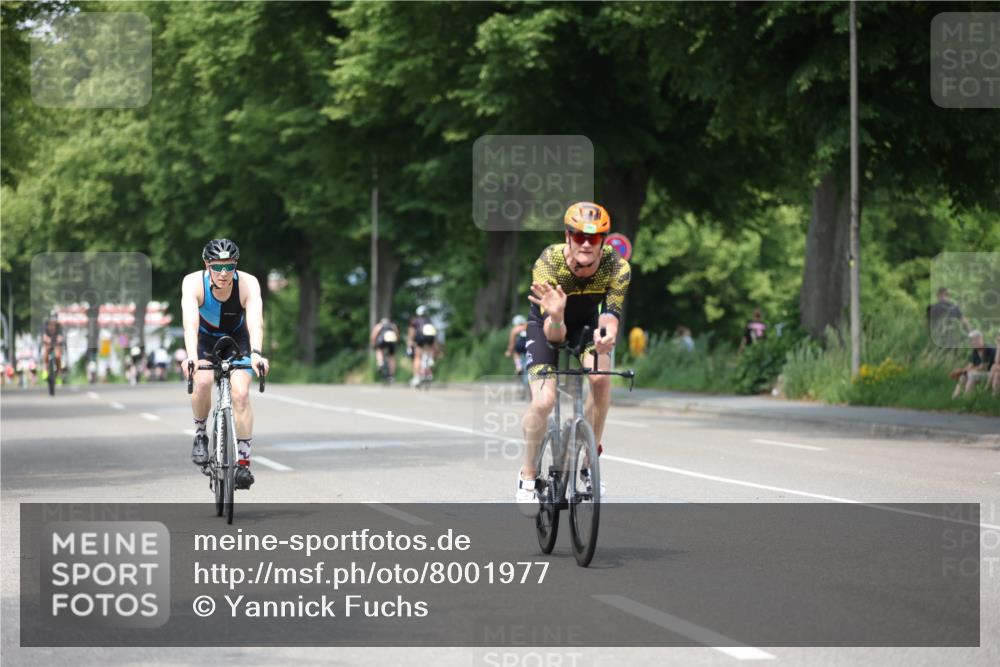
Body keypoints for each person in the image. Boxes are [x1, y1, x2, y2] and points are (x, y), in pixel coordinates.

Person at [516, 201, 630, 514]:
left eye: (593, 238)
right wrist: (555, 314)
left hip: (587, 326)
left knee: (601, 380)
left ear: (603, 240)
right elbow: (555, 336)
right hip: (548, 324)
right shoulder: (549, 262)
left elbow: (610, 318)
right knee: (544, 402)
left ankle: (588, 461)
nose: (585, 243)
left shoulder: (617, 267)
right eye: (578, 236)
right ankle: (527, 476)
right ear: (567, 236)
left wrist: (606, 340)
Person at [180, 239, 269, 490]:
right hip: (204, 341)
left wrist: (257, 353)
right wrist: (191, 357)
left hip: (237, 340)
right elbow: (190, 325)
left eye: (228, 267)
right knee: (204, 381)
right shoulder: (192, 282)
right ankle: (200, 434)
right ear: (207, 264)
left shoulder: (248, 283)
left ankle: (243, 463)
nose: (223, 273)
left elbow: (255, 322)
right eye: (217, 267)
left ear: (235, 266)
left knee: (240, 393)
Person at [951, 330, 996, 398]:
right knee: (963, 376)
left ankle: (967, 398)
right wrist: (962, 371)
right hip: (981, 373)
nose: (974, 342)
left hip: (992, 373)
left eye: (976, 340)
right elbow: (970, 366)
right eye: (972, 340)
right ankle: (955, 397)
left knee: (972, 375)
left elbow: (983, 367)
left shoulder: (988, 349)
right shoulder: (975, 351)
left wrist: (965, 370)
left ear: (981, 339)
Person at [407, 305, 438, 386]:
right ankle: (431, 360)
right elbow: (434, 334)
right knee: (430, 350)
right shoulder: (430, 321)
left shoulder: (415, 321)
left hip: (420, 337)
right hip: (430, 338)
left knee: (418, 356)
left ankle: (417, 377)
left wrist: (410, 341)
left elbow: (412, 332)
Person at [370, 317, 400, 382]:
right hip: (392, 341)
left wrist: (373, 343)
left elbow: (374, 334)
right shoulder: (392, 325)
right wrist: (396, 342)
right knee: (392, 357)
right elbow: (397, 334)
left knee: (379, 350)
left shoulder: (379, 325)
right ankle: (392, 374)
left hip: (382, 341)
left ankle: (380, 362)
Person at [39, 318, 66, 382]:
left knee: (58, 356)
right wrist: (47, 340)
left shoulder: (59, 327)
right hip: (47, 343)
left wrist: (59, 339)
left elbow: (61, 337)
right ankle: (45, 370)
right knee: (46, 350)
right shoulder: (44, 327)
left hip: (56, 343)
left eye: (54, 324)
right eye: (50, 324)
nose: (52, 326)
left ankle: (59, 373)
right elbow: (43, 337)